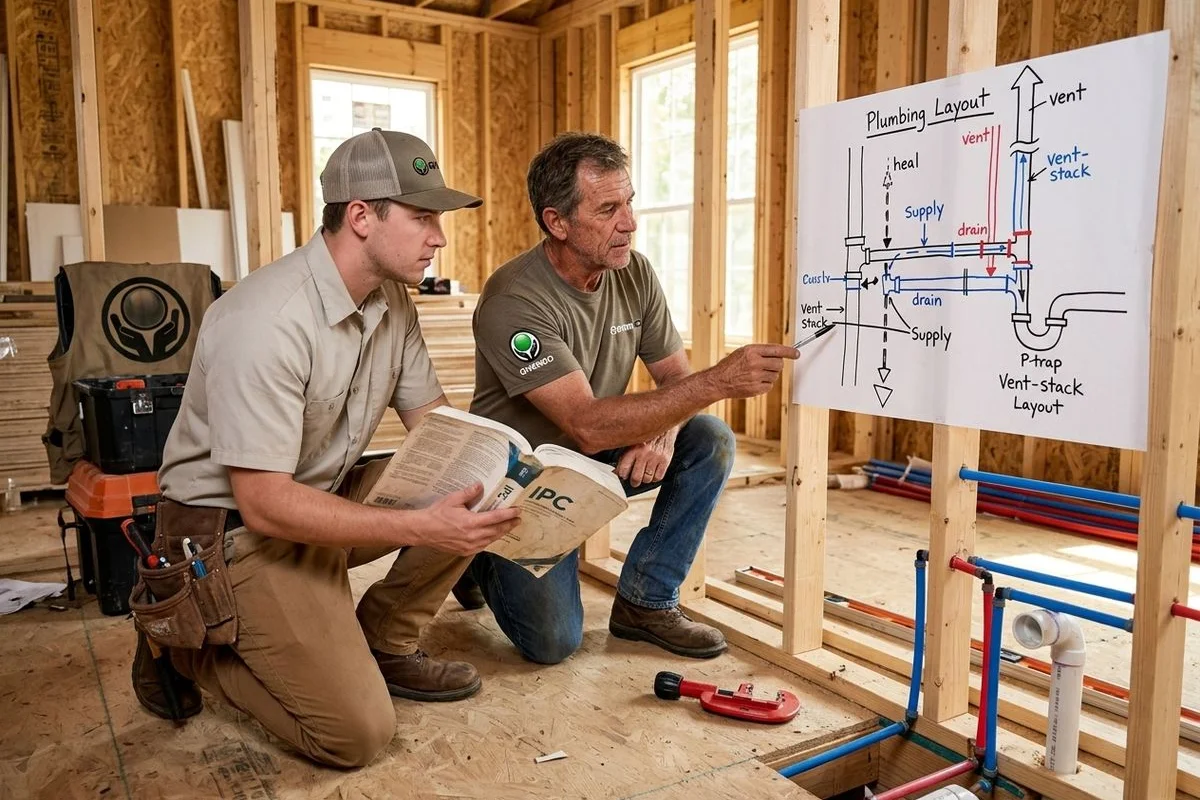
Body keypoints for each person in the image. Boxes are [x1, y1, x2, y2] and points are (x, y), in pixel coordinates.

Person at [130, 128, 522, 768]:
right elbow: (263, 505)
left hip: (315, 497)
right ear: (362, 216)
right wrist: (419, 524)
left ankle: (387, 640)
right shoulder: (266, 320)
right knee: (357, 735)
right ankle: (181, 642)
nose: (440, 238)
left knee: (472, 487)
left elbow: (436, 426)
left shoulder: (392, 300)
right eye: (423, 218)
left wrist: (511, 475)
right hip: (230, 536)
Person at [452, 131, 799, 664]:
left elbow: (675, 377)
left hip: (590, 454)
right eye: (609, 208)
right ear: (557, 222)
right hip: (523, 479)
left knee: (707, 439)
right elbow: (586, 422)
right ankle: (474, 556)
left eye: (629, 201)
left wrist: (661, 432)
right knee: (553, 644)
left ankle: (646, 602)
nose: (630, 222)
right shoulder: (514, 300)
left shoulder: (632, 272)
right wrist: (719, 380)